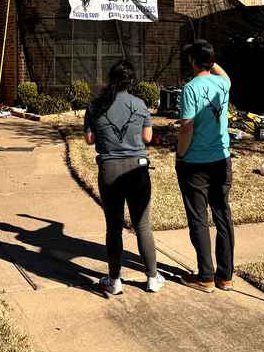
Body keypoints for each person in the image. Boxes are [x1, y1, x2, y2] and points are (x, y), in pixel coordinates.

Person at [84, 59, 164, 295]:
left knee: (114, 227)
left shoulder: (95, 106)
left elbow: (90, 141)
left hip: (109, 170)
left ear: (111, 78)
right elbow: (148, 138)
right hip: (137, 169)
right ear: (131, 81)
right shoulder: (139, 104)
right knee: (142, 225)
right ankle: (152, 278)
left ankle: (114, 280)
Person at [175, 39, 234, 293]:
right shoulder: (222, 84)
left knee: (199, 219)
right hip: (222, 160)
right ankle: (225, 276)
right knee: (223, 216)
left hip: (196, 163)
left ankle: (205, 277)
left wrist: (180, 155)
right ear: (210, 61)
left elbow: (186, 128)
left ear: (191, 61)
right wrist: (209, 58)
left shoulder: (190, 89)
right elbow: (226, 76)